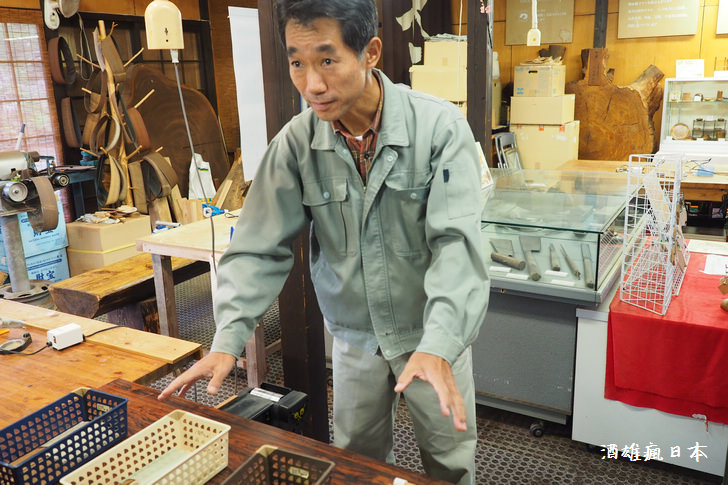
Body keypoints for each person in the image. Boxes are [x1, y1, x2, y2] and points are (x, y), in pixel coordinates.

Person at [159, 1, 489, 483]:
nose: (312, 84)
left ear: (370, 52)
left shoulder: (439, 129)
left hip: (430, 334)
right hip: (355, 337)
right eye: (298, 63)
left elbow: (457, 246)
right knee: (356, 463)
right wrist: (228, 338)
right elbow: (256, 247)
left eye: (328, 60)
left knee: (450, 463)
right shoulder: (296, 144)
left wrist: (441, 343)